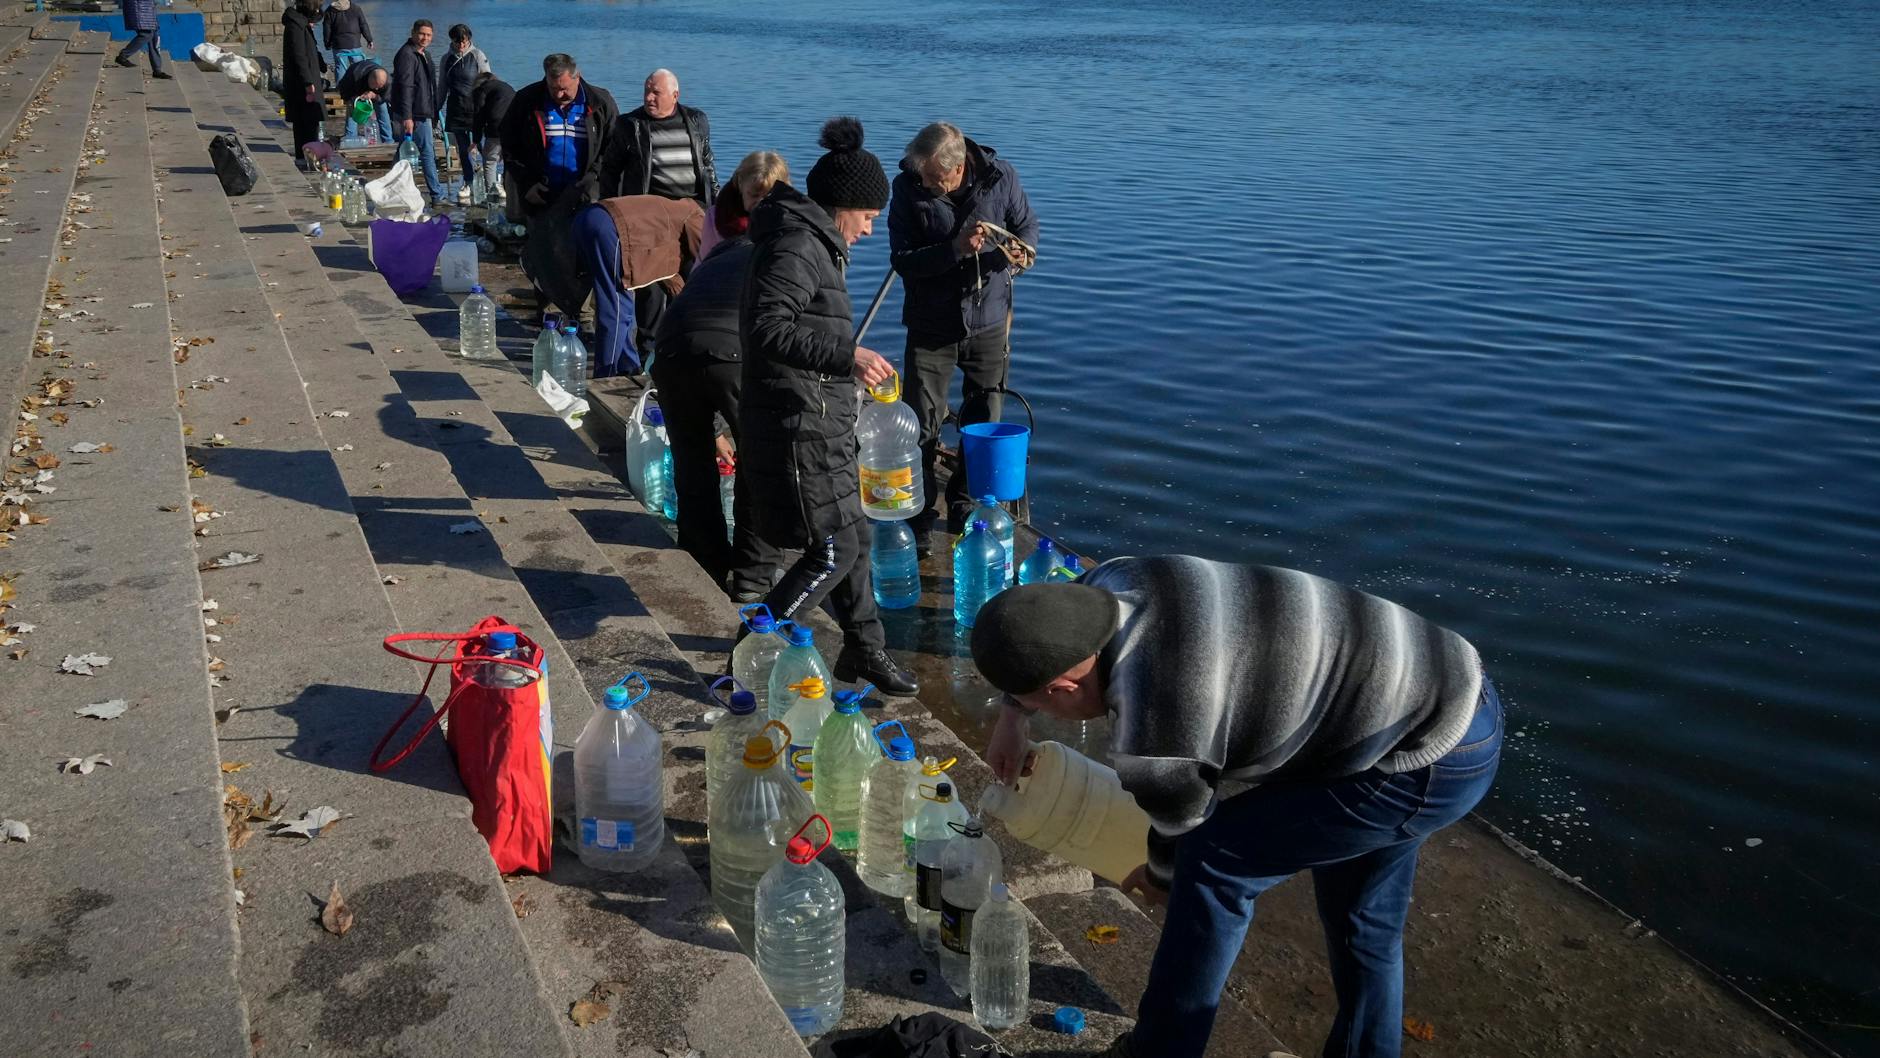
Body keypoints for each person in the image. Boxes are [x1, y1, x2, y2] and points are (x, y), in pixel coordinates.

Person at [970, 559, 1501, 1058]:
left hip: (1428, 757)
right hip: (1442, 683)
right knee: (1360, 917)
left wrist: (1156, 876)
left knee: (1213, 864)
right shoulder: (1112, 579)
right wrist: (1013, 717)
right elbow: (1038, 623)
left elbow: (1181, 826)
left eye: (1040, 704)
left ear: (1064, 687)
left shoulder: (1156, 720)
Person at [737, 118, 917, 696]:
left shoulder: (815, 244)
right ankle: (748, 649)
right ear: (843, 207)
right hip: (797, 425)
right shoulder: (798, 246)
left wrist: (845, 376)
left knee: (856, 536)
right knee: (833, 550)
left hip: (823, 419)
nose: (869, 230)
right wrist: (849, 356)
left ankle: (864, 650)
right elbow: (767, 328)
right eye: (867, 217)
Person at [888, 122, 1038, 541]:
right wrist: (953, 249)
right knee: (921, 422)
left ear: (958, 169)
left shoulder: (1001, 176)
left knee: (984, 420)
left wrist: (1020, 251)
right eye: (923, 175)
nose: (926, 183)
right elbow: (903, 260)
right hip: (931, 324)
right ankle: (918, 515)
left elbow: (1027, 226)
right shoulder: (907, 187)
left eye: (934, 178)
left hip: (988, 320)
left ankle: (966, 508)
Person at [651, 151, 790, 594]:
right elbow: (785, 336)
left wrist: (715, 428)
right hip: (729, 350)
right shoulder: (785, 254)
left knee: (692, 464)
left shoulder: (719, 251)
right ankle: (752, 576)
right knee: (760, 459)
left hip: (670, 347)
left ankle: (703, 563)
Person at [602, 68, 719, 357]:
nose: (649, 98)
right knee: (651, 287)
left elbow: (707, 166)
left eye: (656, 93)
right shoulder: (630, 125)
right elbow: (610, 171)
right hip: (649, 216)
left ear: (675, 96)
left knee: (696, 280)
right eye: (646, 91)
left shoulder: (696, 121)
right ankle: (648, 351)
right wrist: (611, 212)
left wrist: (715, 208)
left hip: (691, 211)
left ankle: (688, 346)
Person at [498, 53, 620, 317]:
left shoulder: (600, 102)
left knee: (584, 253)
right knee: (545, 253)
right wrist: (527, 183)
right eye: (554, 89)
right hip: (542, 191)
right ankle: (549, 313)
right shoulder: (527, 100)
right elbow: (509, 146)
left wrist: (593, 180)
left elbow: (612, 147)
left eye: (565, 88)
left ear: (578, 77)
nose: (560, 95)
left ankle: (583, 314)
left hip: (586, 191)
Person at [570, 194, 702, 377]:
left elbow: (658, 248)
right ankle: (604, 376)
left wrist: (672, 277)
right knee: (617, 308)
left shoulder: (672, 209)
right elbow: (705, 260)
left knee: (625, 301)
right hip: (610, 228)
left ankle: (628, 366)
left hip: (588, 218)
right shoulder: (695, 214)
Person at [389, 20, 446, 203]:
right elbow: (405, 87)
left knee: (403, 152)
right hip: (414, 113)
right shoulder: (407, 55)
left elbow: (429, 86)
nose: (425, 38)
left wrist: (435, 111)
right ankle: (437, 195)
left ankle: (389, 188)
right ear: (413, 32)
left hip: (424, 110)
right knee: (427, 152)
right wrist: (407, 117)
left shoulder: (424, 54)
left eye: (428, 35)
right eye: (421, 34)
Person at [439, 24, 488, 204]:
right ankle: (468, 181)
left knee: (482, 145)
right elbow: (442, 86)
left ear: (469, 40)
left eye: (464, 41)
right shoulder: (446, 59)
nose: (461, 45)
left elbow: (488, 80)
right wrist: (437, 108)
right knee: (462, 147)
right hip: (456, 107)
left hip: (476, 108)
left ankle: (491, 180)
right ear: (451, 40)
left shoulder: (477, 55)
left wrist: (489, 106)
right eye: (457, 41)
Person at [320, 0, 381, 140]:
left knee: (340, 67)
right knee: (360, 70)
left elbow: (327, 28)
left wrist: (327, 43)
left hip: (339, 45)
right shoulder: (356, 8)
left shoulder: (330, 11)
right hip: (355, 44)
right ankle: (362, 86)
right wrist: (369, 39)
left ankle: (342, 89)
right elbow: (363, 24)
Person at [279, 0, 326, 164]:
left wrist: (321, 64)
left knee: (309, 121)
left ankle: (307, 156)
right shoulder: (296, 26)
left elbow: (311, 48)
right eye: (317, 8)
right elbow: (299, 55)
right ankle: (306, 157)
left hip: (306, 78)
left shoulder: (301, 23)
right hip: (301, 83)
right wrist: (307, 82)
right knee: (306, 121)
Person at [469, 71, 513, 202]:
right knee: (510, 161)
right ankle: (510, 195)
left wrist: (475, 140)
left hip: (496, 126)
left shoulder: (482, 90)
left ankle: (491, 196)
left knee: (490, 161)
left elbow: (479, 116)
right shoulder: (506, 87)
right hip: (514, 126)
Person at [114, 0, 171, 79]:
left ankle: (157, 70)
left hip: (147, 7)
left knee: (154, 35)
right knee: (146, 34)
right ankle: (123, 56)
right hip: (138, 7)